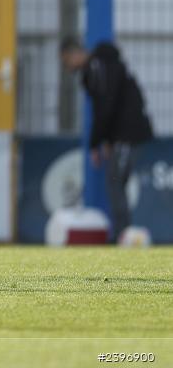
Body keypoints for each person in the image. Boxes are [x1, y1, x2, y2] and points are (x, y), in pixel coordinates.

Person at [60, 37, 153, 242]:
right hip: (123, 134)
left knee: (115, 182)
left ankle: (124, 234)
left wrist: (96, 143)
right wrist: (108, 140)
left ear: (74, 54)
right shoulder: (101, 67)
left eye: (66, 62)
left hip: (128, 134)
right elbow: (111, 103)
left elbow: (105, 106)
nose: (68, 68)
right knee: (116, 182)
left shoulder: (96, 68)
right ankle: (123, 233)